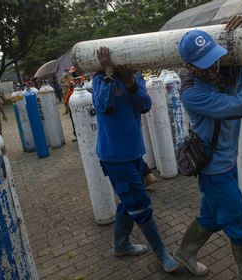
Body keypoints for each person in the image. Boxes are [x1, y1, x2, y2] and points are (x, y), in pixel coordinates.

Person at [174, 15, 242, 280]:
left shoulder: (225, 67)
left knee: (210, 217)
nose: (212, 67)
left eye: (213, 58)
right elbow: (241, 105)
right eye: (204, 64)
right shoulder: (192, 93)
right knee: (239, 220)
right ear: (188, 66)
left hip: (227, 165)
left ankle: (185, 253)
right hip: (214, 171)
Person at [92, 46, 178, 272]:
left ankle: (121, 244)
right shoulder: (99, 79)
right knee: (140, 205)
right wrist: (109, 73)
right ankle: (161, 252)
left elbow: (145, 105)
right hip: (115, 156)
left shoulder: (135, 77)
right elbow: (103, 107)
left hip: (135, 152)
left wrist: (130, 83)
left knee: (128, 201)